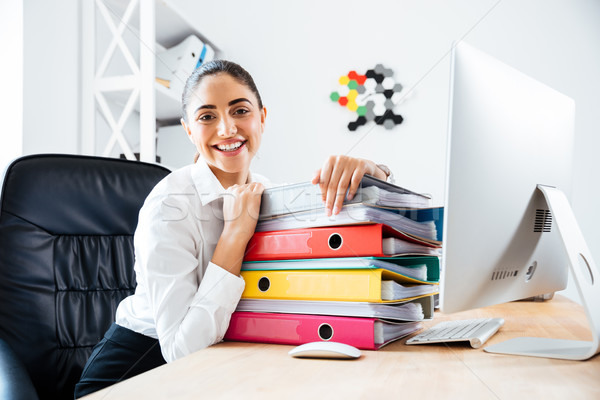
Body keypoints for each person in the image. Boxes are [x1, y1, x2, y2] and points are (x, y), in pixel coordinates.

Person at [74, 60, 391, 398]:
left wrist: (372, 173)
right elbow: (181, 351)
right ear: (189, 130)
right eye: (207, 116)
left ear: (262, 118)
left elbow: (341, 233)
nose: (226, 129)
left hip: (221, 363)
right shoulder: (168, 205)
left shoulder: (267, 192)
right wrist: (234, 234)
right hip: (134, 375)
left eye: (240, 110)